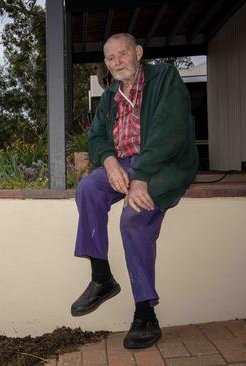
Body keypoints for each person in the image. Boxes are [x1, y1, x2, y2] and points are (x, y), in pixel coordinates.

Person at [70, 33, 198, 349]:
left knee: (132, 217)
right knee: (88, 188)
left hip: (162, 164)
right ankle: (102, 277)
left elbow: (171, 132)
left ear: (138, 53)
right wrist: (110, 162)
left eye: (122, 54)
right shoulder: (112, 94)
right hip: (126, 163)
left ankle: (145, 313)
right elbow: (97, 137)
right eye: (110, 58)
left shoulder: (164, 78)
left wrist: (140, 177)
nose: (116, 62)